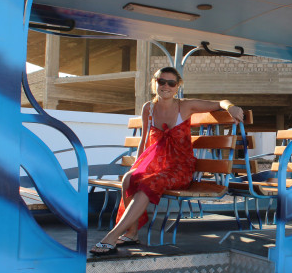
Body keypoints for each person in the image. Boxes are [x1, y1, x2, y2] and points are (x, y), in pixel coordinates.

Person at [90, 66, 244, 255]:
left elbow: (219, 103)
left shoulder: (185, 106)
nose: (166, 86)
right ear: (155, 83)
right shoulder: (148, 108)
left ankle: (112, 236)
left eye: (171, 83)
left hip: (179, 169)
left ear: (177, 86)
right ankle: (132, 233)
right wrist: (137, 166)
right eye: (161, 81)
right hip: (157, 165)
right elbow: (144, 140)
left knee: (148, 183)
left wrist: (231, 107)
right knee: (129, 178)